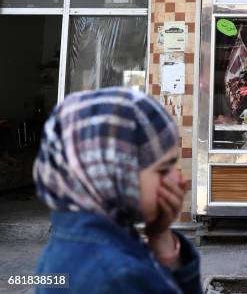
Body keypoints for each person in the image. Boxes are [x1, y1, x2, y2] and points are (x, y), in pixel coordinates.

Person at [34, 87, 202, 294]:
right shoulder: (117, 276)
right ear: (114, 175)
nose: (179, 179)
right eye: (163, 169)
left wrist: (160, 236)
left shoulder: (77, 243)